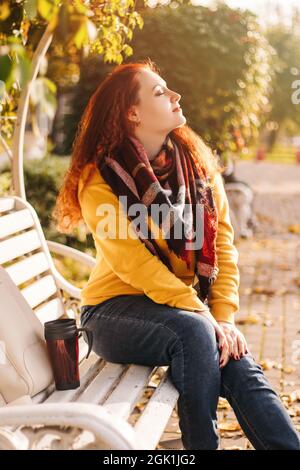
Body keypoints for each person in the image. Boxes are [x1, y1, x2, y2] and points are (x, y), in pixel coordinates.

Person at [52, 59, 300, 450]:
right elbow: (134, 264)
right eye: (159, 92)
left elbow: (223, 248)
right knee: (197, 332)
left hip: (181, 312)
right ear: (132, 113)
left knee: (234, 357)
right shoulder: (100, 178)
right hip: (113, 313)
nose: (175, 95)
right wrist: (200, 313)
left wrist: (224, 318)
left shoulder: (197, 168)